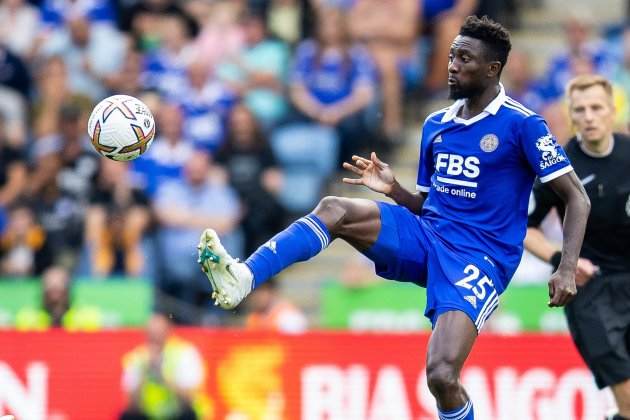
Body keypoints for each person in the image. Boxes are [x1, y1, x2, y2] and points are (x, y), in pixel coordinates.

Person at [198, 16, 590, 419]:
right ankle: (243, 277)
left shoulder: (523, 124)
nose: (452, 64)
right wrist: (395, 191)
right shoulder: (437, 124)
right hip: (429, 235)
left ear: (492, 69)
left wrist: (566, 266)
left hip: (480, 260)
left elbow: (577, 197)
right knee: (335, 209)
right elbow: (431, 206)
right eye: (452, 54)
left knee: (441, 374)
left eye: (464, 58)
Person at [525, 74, 630, 420]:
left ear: (611, 111)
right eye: (580, 110)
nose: (588, 116)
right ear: (571, 116)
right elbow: (524, 229)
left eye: (596, 107)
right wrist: (563, 260)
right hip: (591, 291)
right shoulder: (558, 166)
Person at [120, 312, 210, 420]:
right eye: (151, 334)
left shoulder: (184, 353)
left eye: (158, 333)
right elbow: (131, 406)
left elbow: (189, 400)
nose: (155, 339)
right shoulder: (138, 358)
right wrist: (144, 372)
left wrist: (162, 376)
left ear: (168, 332)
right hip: (150, 415)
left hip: (178, 415)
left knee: (189, 416)